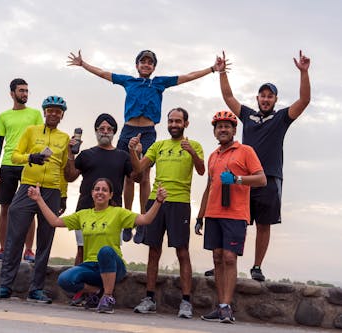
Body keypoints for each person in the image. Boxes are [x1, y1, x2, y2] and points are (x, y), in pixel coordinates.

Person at [68, 49, 221, 243]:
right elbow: (104, 74)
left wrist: (212, 69)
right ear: (137, 65)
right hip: (128, 130)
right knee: (129, 175)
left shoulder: (159, 83)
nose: (146, 65)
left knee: (145, 175)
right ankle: (128, 221)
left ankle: (143, 221)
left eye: (150, 62)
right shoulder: (128, 81)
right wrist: (83, 64)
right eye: (143, 62)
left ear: (154, 67)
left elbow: (187, 77)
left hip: (148, 132)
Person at [202, 50, 311, 281]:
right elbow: (229, 98)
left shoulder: (281, 117)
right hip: (241, 180)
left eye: (270, 96)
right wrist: (221, 72)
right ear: (257, 98)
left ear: (275, 100)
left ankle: (257, 267)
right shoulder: (248, 116)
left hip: (269, 178)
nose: (265, 99)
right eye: (262, 95)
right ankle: (224, 264)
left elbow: (304, 101)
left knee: (263, 224)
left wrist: (304, 73)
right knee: (233, 220)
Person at [27, 178, 167, 314]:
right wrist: (39, 199)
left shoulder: (118, 213)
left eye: (105, 190)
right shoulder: (83, 215)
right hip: (91, 267)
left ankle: (107, 297)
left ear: (111, 195)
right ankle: (96, 291)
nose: (100, 192)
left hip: (114, 266)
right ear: (92, 193)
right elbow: (54, 221)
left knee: (105, 251)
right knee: (65, 279)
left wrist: (158, 201)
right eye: (97, 189)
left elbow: (146, 219)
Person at [0, 96, 70, 303]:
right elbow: (14, 156)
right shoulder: (31, 131)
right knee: (14, 238)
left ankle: (36, 289)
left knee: (45, 241)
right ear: (44, 112)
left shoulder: (65, 138)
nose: (53, 114)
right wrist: (30, 158)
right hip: (28, 188)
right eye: (50, 110)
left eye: (57, 111)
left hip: (52, 191)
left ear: (62, 115)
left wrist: (64, 195)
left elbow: (63, 169)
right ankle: (5, 286)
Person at [128, 108, 205, 319]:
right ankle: (149, 299)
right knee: (153, 251)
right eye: (171, 121)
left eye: (178, 121)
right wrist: (133, 151)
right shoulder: (158, 145)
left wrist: (192, 153)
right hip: (156, 200)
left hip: (179, 202)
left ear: (185, 124)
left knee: (182, 252)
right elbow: (138, 169)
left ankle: (186, 302)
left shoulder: (194, 145)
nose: (173, 124)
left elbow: (201, 170)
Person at [196, 111, 266, 323]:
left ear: (234, 130)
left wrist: (237, 179)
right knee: (217, 258)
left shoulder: (246, 151)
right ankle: (220, 305)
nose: (223, 129)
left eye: (227, 126)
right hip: (213, 213)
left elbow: (261, 179)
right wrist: (200, 216)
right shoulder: (213, 156)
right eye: (219, 127)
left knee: (229, 257)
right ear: (215, 132)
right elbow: (209, 186)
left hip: (235, 214)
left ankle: (227, 307)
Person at [64, 113, 141, 305]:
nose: (105, 132)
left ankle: (105, 295)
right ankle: (84, 292)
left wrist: (134, 153)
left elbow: (137, 177)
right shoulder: (87, 154)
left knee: (108, 253)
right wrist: (70, 154)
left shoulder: (122, 156)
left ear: (114, 132)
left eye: (109, 129)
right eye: (101, 129)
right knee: (82, 251)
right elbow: (70, 176)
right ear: (96, 131)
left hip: (112, 213)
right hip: (85, 210)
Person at [0, 78, 43, 263]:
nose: (25, 94)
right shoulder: (4, 116)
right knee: (5, 207)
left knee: (30, 208)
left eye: (27, 91)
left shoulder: (36, 114)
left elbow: (40, 140)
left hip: (29, 165)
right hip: (8, 165)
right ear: (12, 93)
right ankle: (3, 249)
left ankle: (29, 251)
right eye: (21, 91)